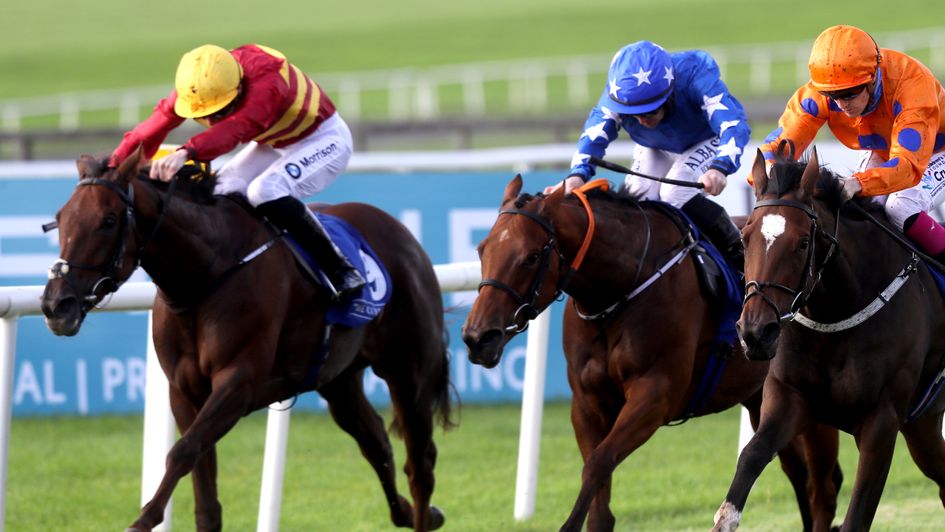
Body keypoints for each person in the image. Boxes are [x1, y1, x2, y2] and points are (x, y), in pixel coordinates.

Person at [110, 44, 366, 299]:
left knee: (264, 191)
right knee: (221, 191)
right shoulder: (200, 85)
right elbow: (151, 128)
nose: (212, 119)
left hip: (323, 139)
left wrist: (187, 152)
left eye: (220, 111)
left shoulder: (267, 84)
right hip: (274, 141)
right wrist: (113, 167)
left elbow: (235, 129)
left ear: (239, 88)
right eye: (206, 114)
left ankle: (340, 270)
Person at [547, 40, 751, 272]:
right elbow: (593, 136)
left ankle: (739, 256)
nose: (642, 120)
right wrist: (577, 176)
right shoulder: (619, 94)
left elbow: (734, 124)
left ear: (670, 94)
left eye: (651, 111)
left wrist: (720, 166)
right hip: (655, 146)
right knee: (640, 200)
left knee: (673, 193)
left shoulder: (695, 75)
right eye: (632, 114)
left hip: (705, 139)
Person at [760, 25, 945, 261]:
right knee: (859, 210)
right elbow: (778, 143)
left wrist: (858, 182)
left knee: (900, 208)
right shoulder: (826, 88)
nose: (840, 105)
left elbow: (908, 166)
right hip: (888, 150)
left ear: (872, 78)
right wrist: (769, 168)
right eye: (832, 96)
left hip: (934, 152)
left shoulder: (912, 84)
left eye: (849, 94)